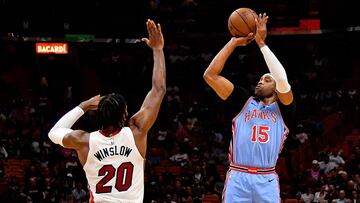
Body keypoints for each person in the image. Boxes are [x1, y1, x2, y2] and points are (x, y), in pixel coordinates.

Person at [48, 19, 166, 203]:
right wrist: (158, 50)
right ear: (125, 115)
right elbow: (159, 89)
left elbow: (53, 132)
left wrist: (83, 106)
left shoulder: (84, 141)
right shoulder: (137, 132)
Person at [203, 13, 294, 202]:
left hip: (266, 179)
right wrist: (233, 42)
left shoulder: (284, 108)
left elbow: (283, 80)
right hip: (238, 176)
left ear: (276, 88)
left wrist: (261, 43)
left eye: (267, 79)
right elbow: (210, 75)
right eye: (260, 79)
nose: (260, 82)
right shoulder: (243, 100)